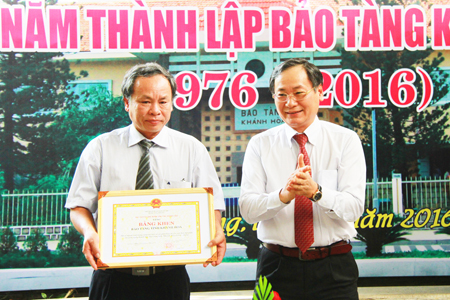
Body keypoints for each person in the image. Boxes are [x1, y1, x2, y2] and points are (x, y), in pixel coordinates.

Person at [66, 62, 226, 300]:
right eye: (145, 101)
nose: (155, 110)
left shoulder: (192, 149)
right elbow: (78, 206)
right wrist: (90, 232)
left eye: (163, 101)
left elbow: (211, 203)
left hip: (170, 279)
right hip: (113, 278)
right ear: (126, 103)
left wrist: (217, 229)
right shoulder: (100, 148)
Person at [239, 58, 366, 300]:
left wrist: (316, 192)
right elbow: (248, 210)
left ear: (319, 91)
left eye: (299, 93)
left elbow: (353, 208)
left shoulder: (345, 140)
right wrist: (284, 196)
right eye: (281, 95)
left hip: (334, 269)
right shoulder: (260, 144)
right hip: (276, 267)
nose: (290, 103)